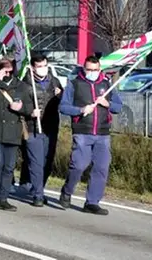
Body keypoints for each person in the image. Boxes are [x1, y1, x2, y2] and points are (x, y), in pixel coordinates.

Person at [58, 55, 123, 215]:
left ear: (100, 69)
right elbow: (63, 107)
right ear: (84, 69)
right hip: (82, 131)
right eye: (89, 69)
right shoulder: (74, 84)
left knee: (101, 167)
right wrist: (80, 110)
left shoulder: (107, 84)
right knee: (79, 165)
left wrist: (107, 103)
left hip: (103, 133)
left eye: (95, 70)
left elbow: (118, 107)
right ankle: (67, 191)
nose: (92, 72)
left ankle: (92, 202)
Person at [0, 58, 34, 212]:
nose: (7, 72)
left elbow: (30, 108)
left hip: (13, 131)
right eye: (3, 69)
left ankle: (4, 198)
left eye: (9, 69)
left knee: (9, 166)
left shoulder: (22, 86)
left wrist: (21, 107)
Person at [25, 54, 63, 207]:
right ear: (33, 67)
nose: (43, 69)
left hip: (50, 126)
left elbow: (63, 100)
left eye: (44, 65)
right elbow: (20, 102)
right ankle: (38, 195)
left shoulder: (54, 81)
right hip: (32, 127)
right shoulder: (26, 84)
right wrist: (30, 111)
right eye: (39, 66)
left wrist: (61, 95)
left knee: (47, 161)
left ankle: (37, 186)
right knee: (36, 162)